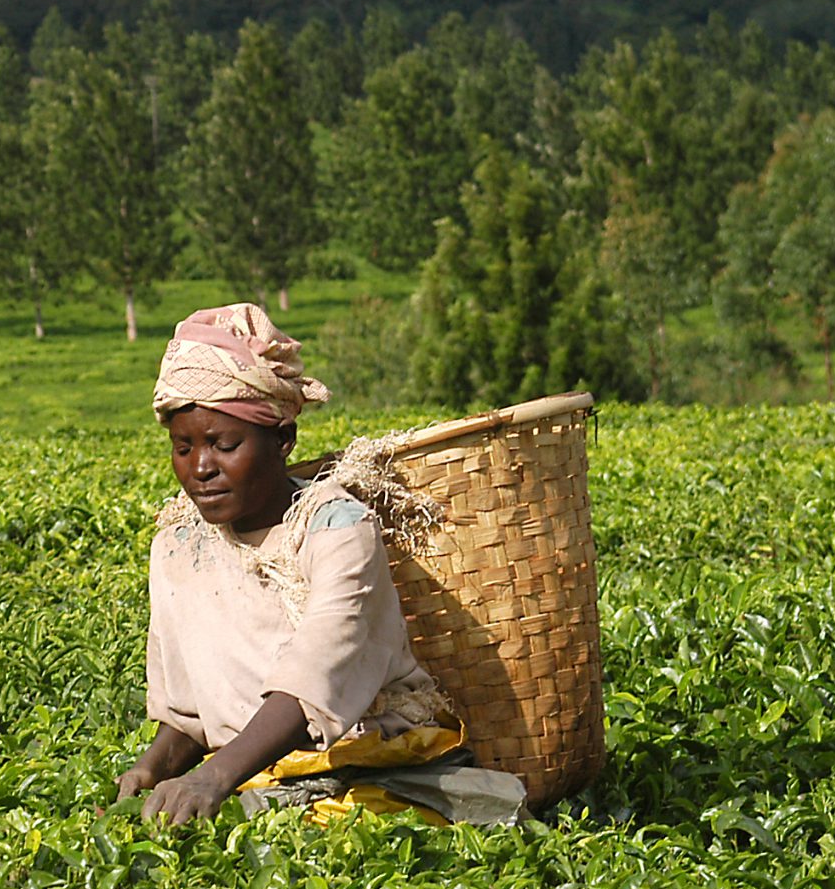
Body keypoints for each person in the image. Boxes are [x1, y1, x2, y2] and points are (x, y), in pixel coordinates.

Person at [116, 305, 527, 828]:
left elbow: (315, 677)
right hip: (247, 775)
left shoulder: (336, 529)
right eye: (183, 447)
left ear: (283, 441)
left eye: (224, 445)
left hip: (371, 766)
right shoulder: (179, 546)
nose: (200, 467)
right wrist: (152, 769)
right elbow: (193, 715)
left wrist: (215, 778)